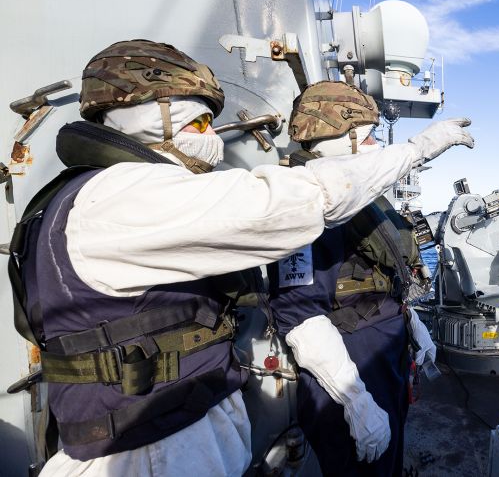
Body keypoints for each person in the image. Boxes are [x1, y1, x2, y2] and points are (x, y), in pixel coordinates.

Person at [8, 40, 472, 476]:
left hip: (168, 435)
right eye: (201, 123)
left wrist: (410, 327)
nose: (211, 138)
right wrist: (415, 150)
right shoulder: (116, 199)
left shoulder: (100, 194)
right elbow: (304, 238)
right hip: (145, 451)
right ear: (152, 118)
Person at [269, 81, 468, 476]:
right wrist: (354, 402)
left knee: (388, 461)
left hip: (383, 350)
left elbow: (377, 275)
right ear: (341, 135)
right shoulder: (310, 204)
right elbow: (300, 316)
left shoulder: (360, 196)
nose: (378, 143)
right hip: (352, 361)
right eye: (371, 133)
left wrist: (411, 325)